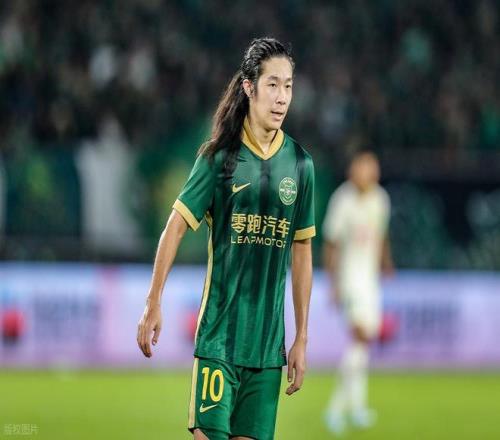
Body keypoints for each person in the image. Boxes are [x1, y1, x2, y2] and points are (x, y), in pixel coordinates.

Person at [137, 37, 316, 440]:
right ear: (249, 88)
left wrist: (301, 338)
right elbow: (175, 227)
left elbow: (302, 250)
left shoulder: (301, 165)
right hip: (219, 341)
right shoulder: (219, 158)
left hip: (267, 352)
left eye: (288, 86)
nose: (282, 97)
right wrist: (153, 301)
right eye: (272, 85)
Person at [322, 151, 393, 434]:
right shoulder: (343, 199)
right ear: (353, 171)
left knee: (362, 346)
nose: (368, 174)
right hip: (350, 280)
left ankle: (357, 407)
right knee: (360, 337)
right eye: (363, 168)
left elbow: (380, 235)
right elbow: (331, 243)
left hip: (370, 282)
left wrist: (386, 263)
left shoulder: (380, 199)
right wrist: (333, 283)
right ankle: (335, 410)